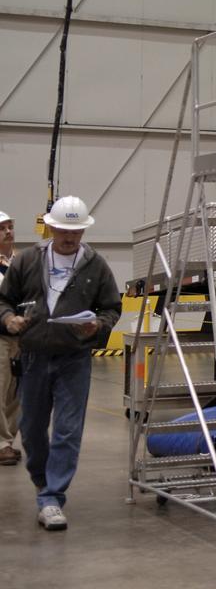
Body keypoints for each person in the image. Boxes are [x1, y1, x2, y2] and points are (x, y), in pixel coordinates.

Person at [0, 196, 121, 530]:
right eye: (64, 230)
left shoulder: (95, 265)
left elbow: (111, 307)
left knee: (67, 431)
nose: (70, 238)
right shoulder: (26, 261)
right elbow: (3, 301)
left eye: (77, 231)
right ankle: (43, 481)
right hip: (33, 357)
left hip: (74, 360)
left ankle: (52, 498)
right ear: (50, 226)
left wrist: (98, 324)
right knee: (32, 430)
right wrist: (9, 320)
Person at [0, 210, 20, 467]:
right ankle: (1, 443)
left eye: (10, 227)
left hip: (21, 336)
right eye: (2, 228)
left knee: (16, 393)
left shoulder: (20, 262)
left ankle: (9, 441)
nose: (8, 232)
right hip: (0, 335)